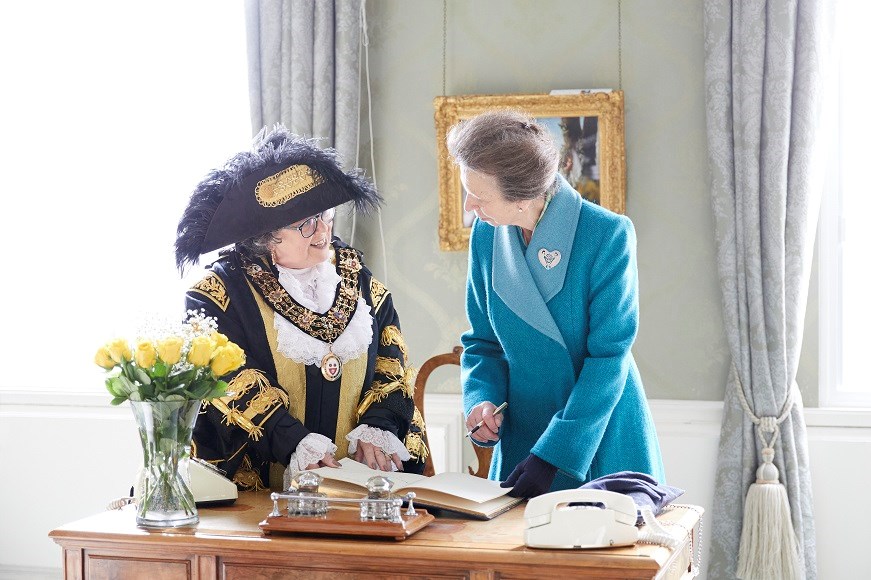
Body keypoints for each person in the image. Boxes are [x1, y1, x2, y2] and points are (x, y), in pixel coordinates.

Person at [175, 125, 427, 491]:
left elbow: (392, 365)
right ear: (265, 235)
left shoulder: (358, 279)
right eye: (305, 225)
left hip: (359, 494)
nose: (323, 233)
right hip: (258, 496)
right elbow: (230, 382)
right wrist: (294, 443)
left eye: (326, 216)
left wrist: (380, 426)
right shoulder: (217, 295)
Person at [447, 110, 665, 499]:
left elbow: (608, 359)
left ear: (522, 198)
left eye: (479, 197)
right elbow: (482, 343)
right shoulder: (487, 234)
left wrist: (555, 455)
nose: (469, 206)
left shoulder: (607, 235)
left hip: (593, 435)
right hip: (523, 437)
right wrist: (481, 400)